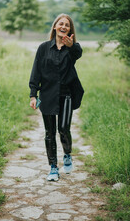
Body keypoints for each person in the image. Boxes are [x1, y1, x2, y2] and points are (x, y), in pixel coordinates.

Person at [29, 13, 84, 181]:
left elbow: (78, 53)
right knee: (49, 133)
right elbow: (36, 72)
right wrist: (33, 94)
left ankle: (67, 154)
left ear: (70, 29)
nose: (64, 27)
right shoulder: (43, 48)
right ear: (55, 27)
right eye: (61, 24)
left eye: (67, 25)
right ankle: (53, 167)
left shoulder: (72, 48)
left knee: (63, 129)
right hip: (47, 95)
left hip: (66, 94)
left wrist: (71, 46)